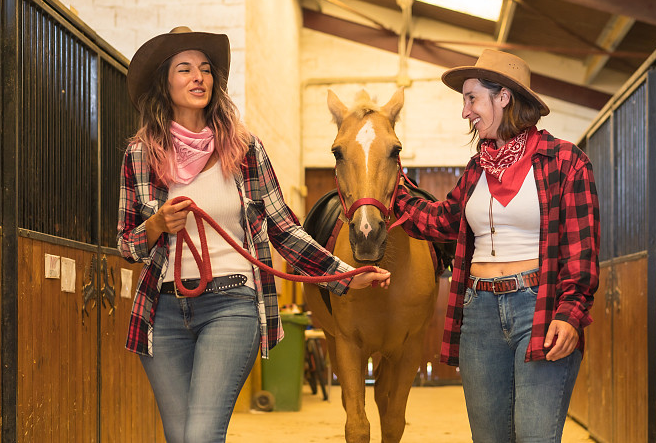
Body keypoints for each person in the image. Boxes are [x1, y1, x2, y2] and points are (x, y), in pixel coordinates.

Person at [117, 26, 390, 443]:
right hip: (163, 312)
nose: (198, 78)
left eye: (205, 70)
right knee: (179, 438)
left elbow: (284, 229)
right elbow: (126, 244)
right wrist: (155, 226)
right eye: (185, 69)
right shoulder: (140, 154)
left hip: (231, 304)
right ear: (164, 81)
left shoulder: (243, 149)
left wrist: (344, 274)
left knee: (201, 436)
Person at [393, 49, 600, 442]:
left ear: (503, 96)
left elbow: (582, 251)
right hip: (479, 312)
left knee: (535, 436)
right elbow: (442, 221)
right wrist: (394, 189)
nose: (465, 111)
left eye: (471, 98)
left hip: (537, 307)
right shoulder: (477, 169)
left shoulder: (566, 161)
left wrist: (570, 314)